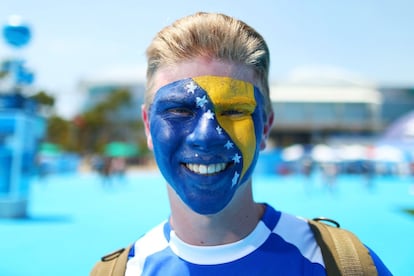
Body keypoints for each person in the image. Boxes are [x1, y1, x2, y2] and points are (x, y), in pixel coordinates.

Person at [92, 12, 391, 275]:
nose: (205, 136)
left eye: (234, 111)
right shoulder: (123, 272)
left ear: (265, 128)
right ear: (147, 125)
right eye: (180, 110)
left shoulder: (340, 265)